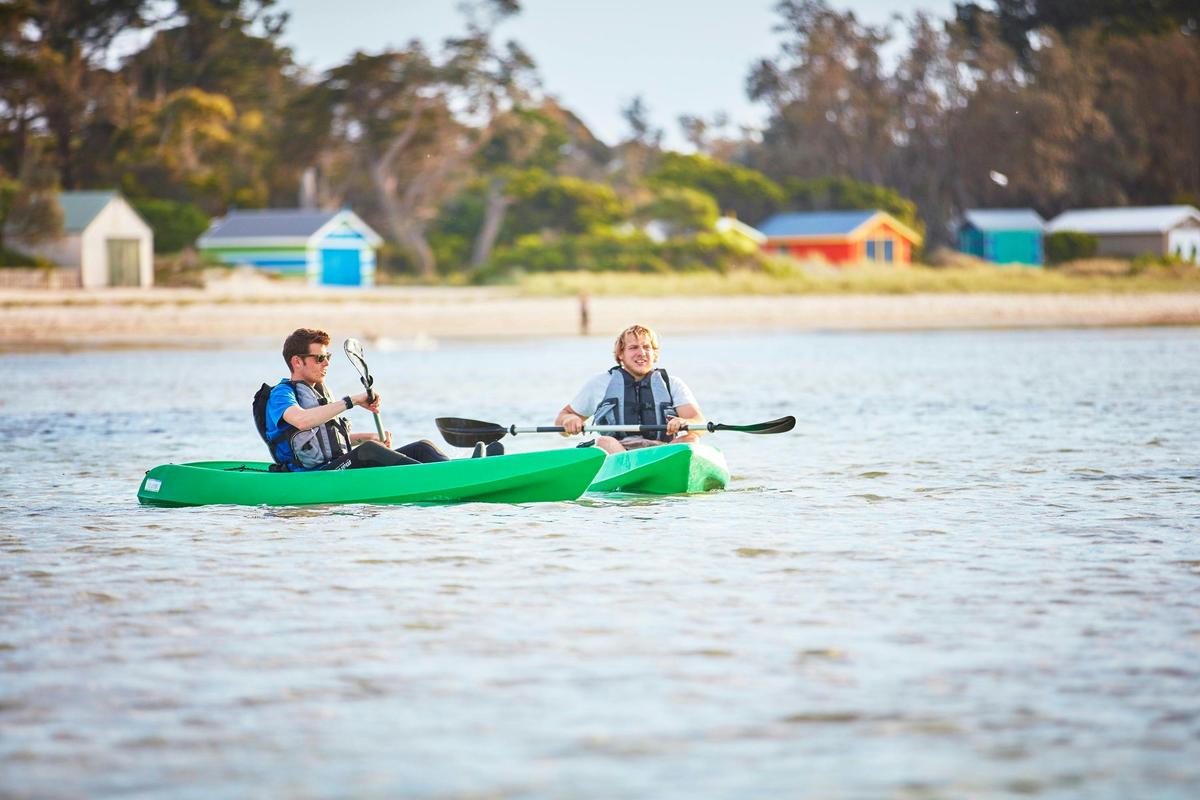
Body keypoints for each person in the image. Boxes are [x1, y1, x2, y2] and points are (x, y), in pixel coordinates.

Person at [261, 327, 452, 471]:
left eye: (328, 356)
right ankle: (433, 478)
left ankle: (451, 473)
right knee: (369, 451)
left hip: (337, 466)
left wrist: (366, 438)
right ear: (297, 362)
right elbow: (301, 421)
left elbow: (326, 438)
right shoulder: (281, 394)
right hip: (313, 475)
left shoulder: (319, 392)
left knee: (422, 447)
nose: (327, 362)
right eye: (319, 358)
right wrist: (352, 401)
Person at [554, 324, 706, 455]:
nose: (641, 353)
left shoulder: (672, 384)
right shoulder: (599, 383)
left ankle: (664, 474)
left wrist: (684, 421)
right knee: (604, 442)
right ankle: (631, 475)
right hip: (619, 451)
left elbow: (698, 423)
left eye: (646, 347)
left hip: (663, 453)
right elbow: (562, 419)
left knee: (691, 439)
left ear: (654, 353)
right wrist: (569, 420)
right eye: (633, 347)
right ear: (621, 354)